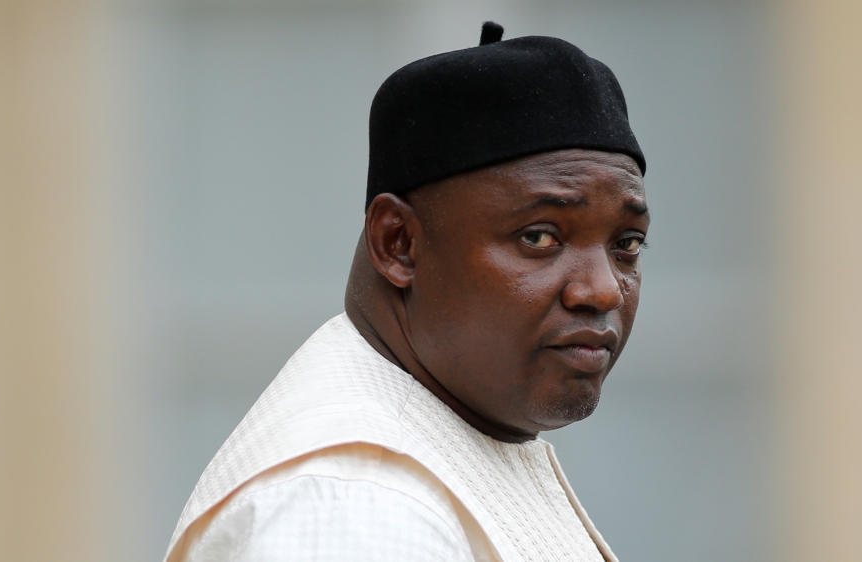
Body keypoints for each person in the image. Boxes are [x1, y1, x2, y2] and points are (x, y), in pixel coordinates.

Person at [165, 21, 649, 562]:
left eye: (627, 244)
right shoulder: (358, 504)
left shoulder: (436, 446)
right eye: (539, 237)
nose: (603, 290)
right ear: (398, 244)